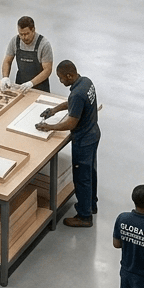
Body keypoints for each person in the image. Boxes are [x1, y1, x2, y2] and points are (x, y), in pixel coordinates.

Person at [36, 61, 100, 229]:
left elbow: (71, 123)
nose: (60, 81)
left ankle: (84, 216)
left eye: (61, 78)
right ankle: (91, 204)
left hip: (83, 140)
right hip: (93, 133)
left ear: (70, 76)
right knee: (90, 172)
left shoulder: (77, 93)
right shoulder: (85, 82)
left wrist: (49, 127)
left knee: (82, 178)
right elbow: (73, 103)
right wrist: (54, 110)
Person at [1, 16, 54, 93]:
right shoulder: (15, 41)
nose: (24, 37)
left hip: (40, 86)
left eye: (26, 34)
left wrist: (31, 83)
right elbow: (7, 61)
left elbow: (47, 70)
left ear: (33, 30)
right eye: (21, 34)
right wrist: (5, 77)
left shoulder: (44, 45)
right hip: (21, 84)